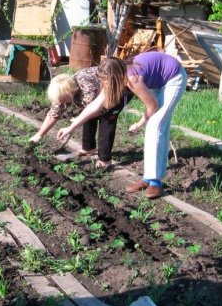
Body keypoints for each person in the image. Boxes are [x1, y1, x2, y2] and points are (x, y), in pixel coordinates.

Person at [57, 52, 186, 199]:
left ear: (116, 77)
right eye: (102, 80)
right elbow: (94, 107)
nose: (104, 84)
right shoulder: (113, 74)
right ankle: (148, 178)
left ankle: (155, 182)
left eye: (106, 81)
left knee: (155, 125)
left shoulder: (133, 79)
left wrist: (139, 123)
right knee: (157, 127)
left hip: (173, 77)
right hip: (157, 77)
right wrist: (70, 128)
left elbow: (153, 106)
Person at [29, 67, 124, 169]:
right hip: (96, 99)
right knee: (85, 114)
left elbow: (98, 109)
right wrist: (39, 135)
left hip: (117, 89)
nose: (62, 102)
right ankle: (88, 149)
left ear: (71, 92)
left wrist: (78, 120)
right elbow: (53, 114)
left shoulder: (86, 86)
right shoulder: (63, 91)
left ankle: (105, 160)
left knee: (106, 119)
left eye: (63, 99)